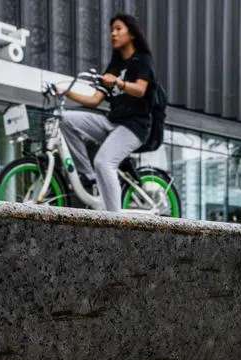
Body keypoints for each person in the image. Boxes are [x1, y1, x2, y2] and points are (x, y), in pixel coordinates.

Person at [58, 14, 155, 212]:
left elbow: (140, 90)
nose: (113, 33)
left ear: (132, 33)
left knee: (103, 161)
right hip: (112, 123)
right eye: (111, 30)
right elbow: (95, 100)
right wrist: (66, 91)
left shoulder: (142, 61)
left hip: (134, 127)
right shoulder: (115, 65)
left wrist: (119, 82)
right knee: (66, 119)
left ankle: (114, 222)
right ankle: (88, 175)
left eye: (118, 29)